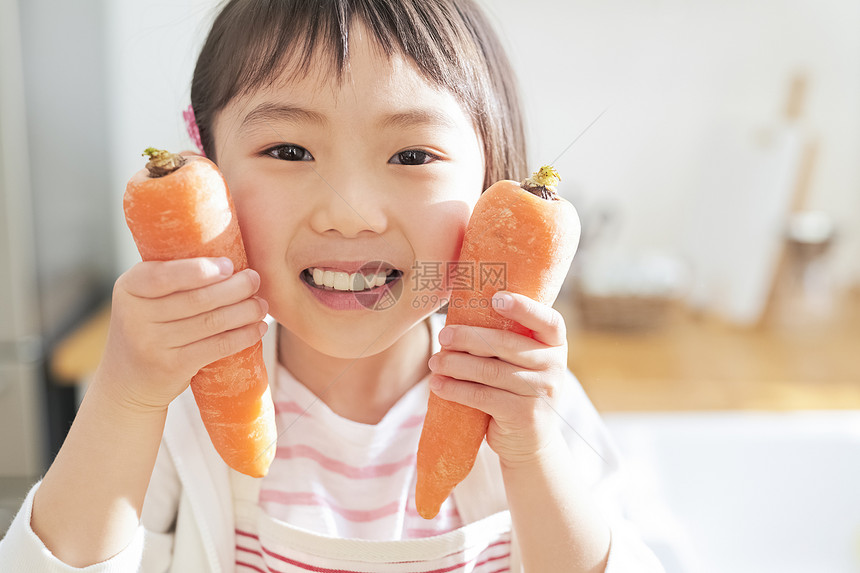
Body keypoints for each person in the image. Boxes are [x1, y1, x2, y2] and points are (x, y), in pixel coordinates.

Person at [0, 0, 666, 571]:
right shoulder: (179, 403)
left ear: (492, 184)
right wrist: (124, 396)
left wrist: (535, 450)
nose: (348, 212)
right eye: (289, 151)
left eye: (412, 155)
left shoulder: (525, 399)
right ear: (208, 173)